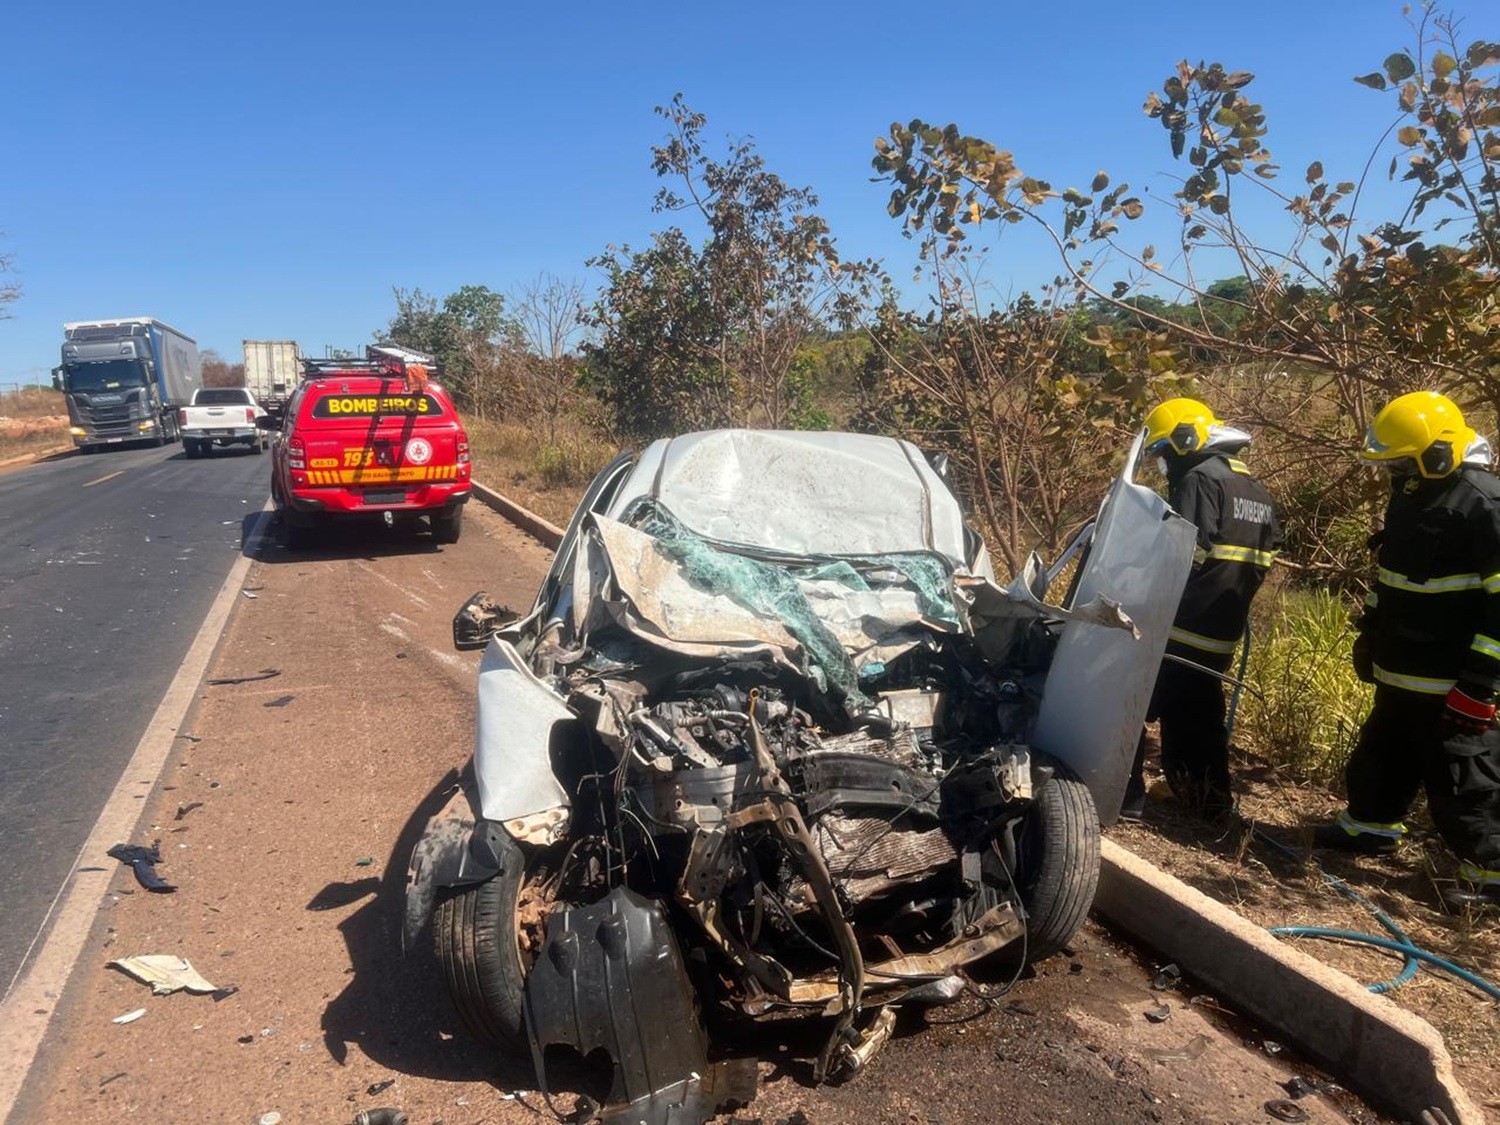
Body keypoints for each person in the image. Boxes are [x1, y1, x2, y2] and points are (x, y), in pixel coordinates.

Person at [1313, 391, 1500, 909]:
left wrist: (1479, 684)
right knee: (1381, 756)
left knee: (1464, 778)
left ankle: (1492, 874)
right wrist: (1371, 632)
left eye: (1402, 461)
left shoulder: (1485, 504)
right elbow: (1391, 577)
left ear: (1439, 452)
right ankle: (1370, 827)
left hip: (1452, 681)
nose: (1395, 472)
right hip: (1402, 671)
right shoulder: (1412, 494)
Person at [1122, 397, 1281, 821]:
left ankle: (1122, 795)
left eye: (1163, 452)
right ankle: (1207, 800)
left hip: (1181, 625)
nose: (1163, 464)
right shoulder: (1252, 488)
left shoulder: (1198, 479)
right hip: (1221, 630)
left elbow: (1181, 551)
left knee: (1127, 699)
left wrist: (1136, 588)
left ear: (1185, 440)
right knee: (1197, 713)